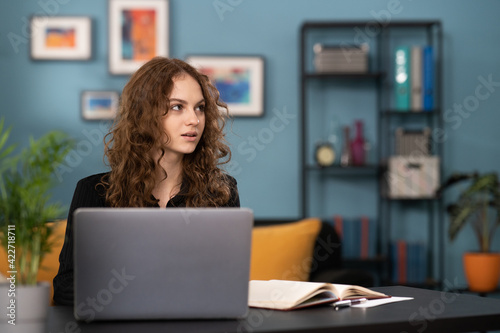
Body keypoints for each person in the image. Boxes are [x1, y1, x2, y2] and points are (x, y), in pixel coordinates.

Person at [53, 57, 240, 305]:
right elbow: (65, 288)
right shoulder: (94, 191)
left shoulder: (221, 191)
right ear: (144, 113)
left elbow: (230, 283)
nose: (194, 120)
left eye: (200, 107)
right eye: (177, 107)